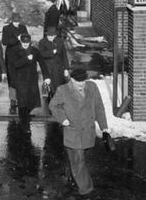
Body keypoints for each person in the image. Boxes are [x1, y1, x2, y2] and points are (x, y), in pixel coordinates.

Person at [49, 67, 110, 199]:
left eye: (83, 81)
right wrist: (63, 119)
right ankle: (86, 189)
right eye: (78, 82)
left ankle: (72, 175)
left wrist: (104, 127)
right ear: (71, 80)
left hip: (88, 130)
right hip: (73, 132)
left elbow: (99, 106)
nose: (82, 84)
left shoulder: (92, 87)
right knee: (79, 161)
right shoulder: (63, 90)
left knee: (78, 159)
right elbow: (53, 105)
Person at [11, 33, 43, 133]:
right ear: (20, 41)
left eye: (27, 42)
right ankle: (25, 124)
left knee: (32, 102)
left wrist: (47, 77)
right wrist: (26, 59)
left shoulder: (35, 51)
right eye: (23, 42)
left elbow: (42, 63)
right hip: (20, 80)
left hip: (32, 81)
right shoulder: (15, 51)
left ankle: (26, 116)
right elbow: (15, 64)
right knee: (22, 103)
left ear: (30, 42)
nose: (25, 44)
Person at [2, 12, 28, 115]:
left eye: (18, 21)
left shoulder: (23, 27)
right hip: (11, 58)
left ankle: (22, 101)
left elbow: (27, 39)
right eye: (15, 21)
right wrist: (16, 39)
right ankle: (13, 102)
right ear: (12, 20)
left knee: (22, 79)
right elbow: (4, 42)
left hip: (21, 55)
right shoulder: (6, 28)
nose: (17, 23)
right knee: (12, 80)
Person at [38, 26, 70, 102]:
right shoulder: (42, 42)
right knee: (49, 87)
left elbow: (64, 55)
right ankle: (49, 101)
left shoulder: (60, 41)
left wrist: (66, 68)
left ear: (55, 35)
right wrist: (52, 52)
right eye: (48, 36)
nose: (50, 37)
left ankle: (58, 101)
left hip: (59, 68)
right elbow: (42, 54)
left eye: (52, 36)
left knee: (59, 86)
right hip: (48, 68)